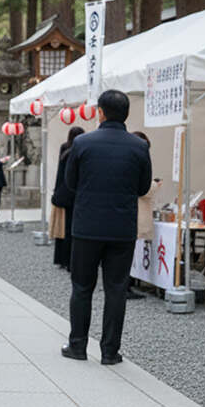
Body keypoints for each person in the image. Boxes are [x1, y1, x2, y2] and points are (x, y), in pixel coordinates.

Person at [61, 89, 151, 365]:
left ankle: (77, 345)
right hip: (122, 228)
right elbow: (143, 187)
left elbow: (71, 183)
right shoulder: (138, 147)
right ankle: (110, 351)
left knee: (82, 287)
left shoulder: (83, 143)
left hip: (87, 225)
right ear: (126, 114)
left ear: (100, 111)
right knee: (116, 288)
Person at [128, 130, 162, 299]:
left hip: (127, 212)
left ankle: (127, 285)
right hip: (137, 211)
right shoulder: (139, 159)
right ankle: (126, 286)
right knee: (129, 252)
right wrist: (155, 185)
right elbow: (143, 190)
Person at [51, 126, 84, 270]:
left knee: (62, 228)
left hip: (63, 192)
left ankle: (61, 259)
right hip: (74, 194)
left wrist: (56, 190)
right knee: (72, 228)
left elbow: (60, 173)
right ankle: (71, 261)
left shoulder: (64, 148)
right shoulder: (78, 152)